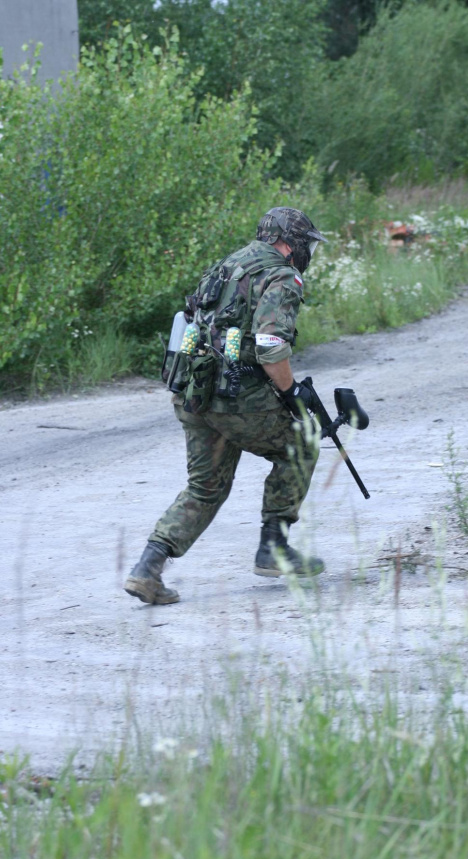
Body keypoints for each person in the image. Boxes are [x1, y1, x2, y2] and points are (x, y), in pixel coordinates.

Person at [124, 207, 328, 605]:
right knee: (301, 444)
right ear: (291, 242)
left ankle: (147, 569)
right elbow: (271, 345)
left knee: (205, 487)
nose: (306, 252)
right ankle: (274, 548)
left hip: (192, 392)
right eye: (305, 244)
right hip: (237, 398)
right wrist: (291, 396)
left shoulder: (227, 265)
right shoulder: (282, 276)